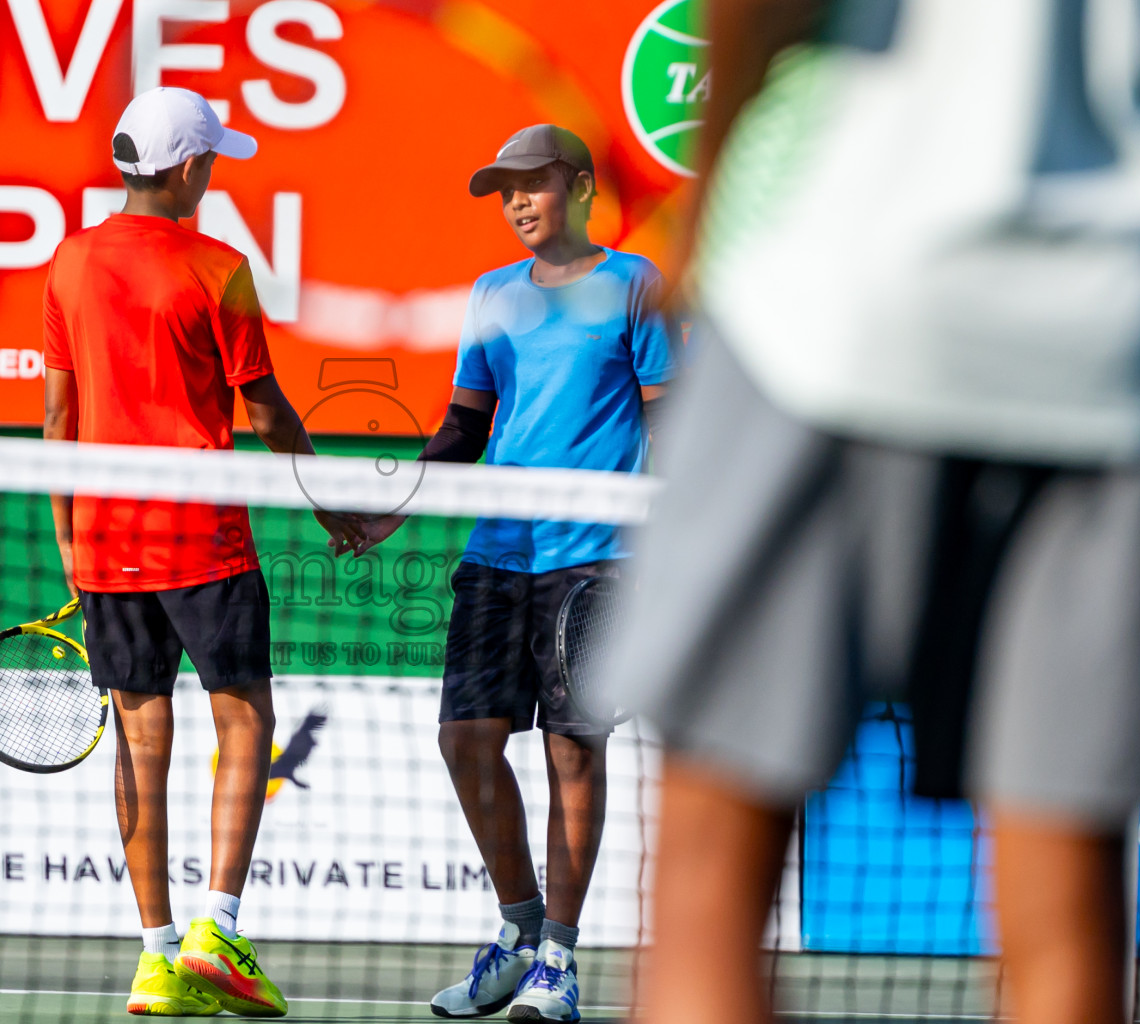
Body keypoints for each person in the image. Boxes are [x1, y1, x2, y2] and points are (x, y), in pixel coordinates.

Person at [618, 1, 1140, 1022]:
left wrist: (705, 200)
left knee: (704, 884)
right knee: (1070, 894)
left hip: (830, 309)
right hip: (1115, 345)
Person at [42, 85, 363, 1018]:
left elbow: (58, 418)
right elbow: (264, 412)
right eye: (213, 162)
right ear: (187, 169)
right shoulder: (218, 265)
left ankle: (154, 958)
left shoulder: (67, 263)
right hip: (202, 536)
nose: (214, 175)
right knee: (245, 722)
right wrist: (326, 501)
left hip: (104, 540)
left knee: (141, 740)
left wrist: (70, 537)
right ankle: (215, 930)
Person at [360, 124, 678, 1022]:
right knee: (466, 741)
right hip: (499, 554)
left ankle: (560, 965)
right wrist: (393, 507)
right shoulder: (492, 295)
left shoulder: (635, 283)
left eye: (530, 185)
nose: (516, 202)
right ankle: (520, 931)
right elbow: (465, 426)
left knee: (573, 753)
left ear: (577, 185)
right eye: (504, 192)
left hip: (597, 559)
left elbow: (670, 420)